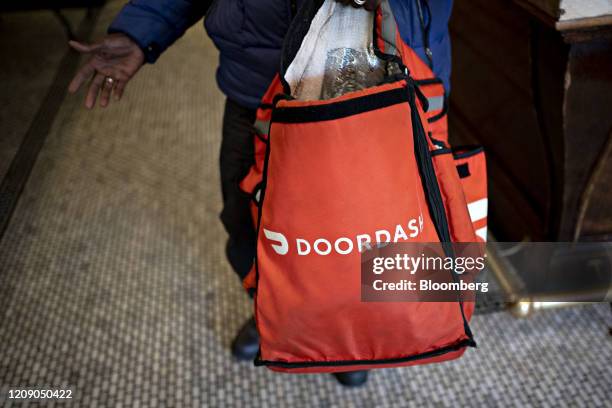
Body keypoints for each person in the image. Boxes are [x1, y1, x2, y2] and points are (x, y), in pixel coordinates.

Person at [68, 0, 454, 387]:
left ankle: (367, 333)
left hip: (390, 87)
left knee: (392, 228)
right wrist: (141, 28)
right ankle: (272, 312)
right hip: (258, 90)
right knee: (252, 224)